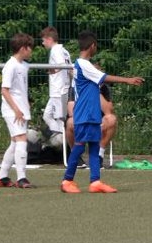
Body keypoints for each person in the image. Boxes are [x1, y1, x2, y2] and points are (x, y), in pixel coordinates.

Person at [61, 31, 144, 193]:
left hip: (91, 114)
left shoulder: (83, 65)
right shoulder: (83, 64)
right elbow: (105, 77)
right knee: (79, 146)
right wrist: (128, 80)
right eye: (96, 46)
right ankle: (67, 180)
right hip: (84, 114)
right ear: (92, 46)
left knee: (93, 146)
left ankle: (95, 181)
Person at [0, 33, 35, 188]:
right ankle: (21, 178)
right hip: (12, 110)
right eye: (30, 47)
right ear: (23, 48)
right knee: (21, 140)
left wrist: (26, 103)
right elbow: (4, 90)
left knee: (14, 142)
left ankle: (2, 176)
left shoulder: (24, 65)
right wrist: (16, 109)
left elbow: (20, 89)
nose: (31, 51)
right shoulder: (10, 65)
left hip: (21, 109)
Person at [65, 83, 117, 169]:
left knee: (111, 119)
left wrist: (96, 91)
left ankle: (99, 155)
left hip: (98, 122)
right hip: (81, 121)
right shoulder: (75, 87)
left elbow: (108, 111)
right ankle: (76, 155)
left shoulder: (103, 88)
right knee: (71, 122)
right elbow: (71, 112)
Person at [40, 26, 71, 144]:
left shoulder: (55, 50)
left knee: (59, 119)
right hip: (60, 89)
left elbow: (62, 64)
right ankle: (57, 139)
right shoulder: (64, 50)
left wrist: (53, 70)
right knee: (47, 116)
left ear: (49, 39)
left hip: (58, 90)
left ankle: (62, 144)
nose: (43, 43)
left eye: (43, 40)